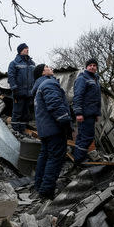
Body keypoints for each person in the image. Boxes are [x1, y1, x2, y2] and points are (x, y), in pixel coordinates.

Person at [32, 64, 72, 199]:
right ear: (43, 73)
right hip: (54, 128)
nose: (51, 68)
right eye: (48, 67)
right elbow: (55, 104)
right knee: (55, 158)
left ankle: (39, 186)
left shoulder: (38, 88)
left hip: (45, 130)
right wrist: (65, 122)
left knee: (44, 157)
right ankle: (47, 191)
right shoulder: (49, 83)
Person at [72, 58, 101, 163]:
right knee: (87, 137)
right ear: (86, 67)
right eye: (90, 65)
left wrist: (97, 113)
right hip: (85, 114)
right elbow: (78, 96)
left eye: (94, 65)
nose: (92, 67)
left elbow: (97, 99)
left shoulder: (96, 79)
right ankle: (79, 160)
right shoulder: (82, 78)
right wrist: (78, 113)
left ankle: (77, 157)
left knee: (82, 137)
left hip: (91, 114)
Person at [7, 43, 36, 133]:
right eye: (25, 49)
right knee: (17, 112)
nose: (27, 50)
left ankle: (23, 132)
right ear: (20, 51)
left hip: (29, 93)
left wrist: (34, 90)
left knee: (26, 114)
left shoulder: (32, 64)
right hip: (19, 93)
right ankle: (16, 132)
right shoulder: (14, 63)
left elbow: (35, 77)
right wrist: (14, 89)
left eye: (28, 48)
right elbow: (11, 77)